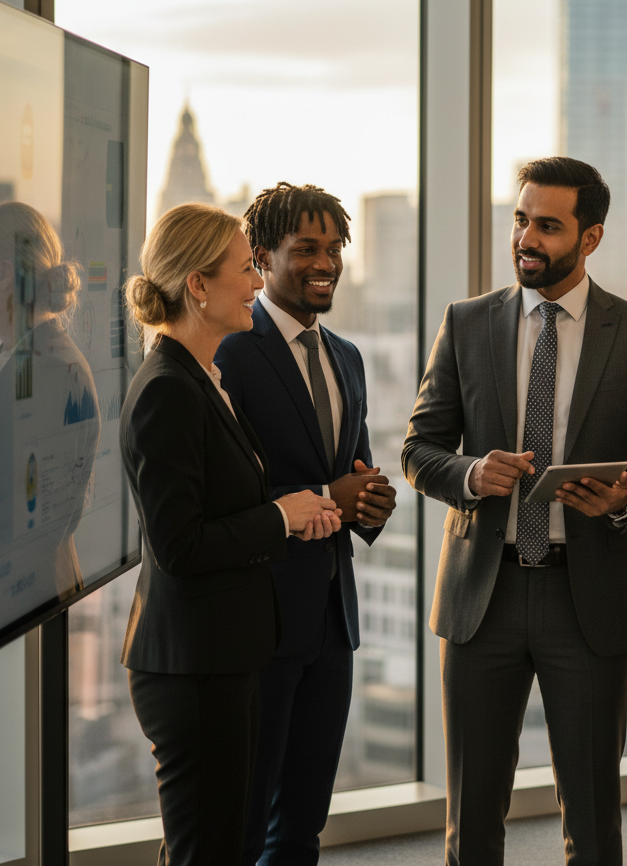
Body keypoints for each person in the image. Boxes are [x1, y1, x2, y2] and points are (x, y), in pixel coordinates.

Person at [403, 156, 627, 866]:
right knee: (471, 820)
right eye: (520, 219)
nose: (526, 237)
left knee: (593, 818)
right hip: (483, 594)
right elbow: (418, 448)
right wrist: (472, 473)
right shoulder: (466, 324)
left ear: (589, 238)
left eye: (548, 226)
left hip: (585, 595)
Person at [119, 203, 341, 866]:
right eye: (246, 269)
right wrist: (283, 516)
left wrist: (295, 516)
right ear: (197, 285)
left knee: (215, 847)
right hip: (192, 668)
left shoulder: (202, 377)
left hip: (222, 657)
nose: (256, 282)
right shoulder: (167, 389)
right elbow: (180, 546)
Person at [214, 182, 397, 866]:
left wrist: (371, 504)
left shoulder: (347, 356)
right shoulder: (231, 351)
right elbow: (229, 490)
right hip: (258, 621)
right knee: (240, 821)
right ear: (262, 256)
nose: (326, 262)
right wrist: (329, 494)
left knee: (302, 826)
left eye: (335, 248)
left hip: (330, 620)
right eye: (306, 249)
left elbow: (357, 465)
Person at [0, 201, 99, 607]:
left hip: (25, 597)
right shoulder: (34, 354)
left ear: (4, 274)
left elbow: (25, 510)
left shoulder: (47, 370)